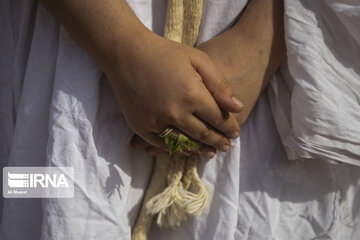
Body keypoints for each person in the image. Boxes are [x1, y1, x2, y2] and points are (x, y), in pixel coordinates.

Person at [1, 0, 360, 239]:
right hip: (67, 74)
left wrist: (260, 42)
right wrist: (123, 48)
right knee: (44, 199)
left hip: (275, 69)